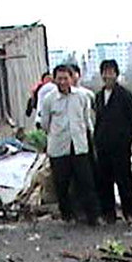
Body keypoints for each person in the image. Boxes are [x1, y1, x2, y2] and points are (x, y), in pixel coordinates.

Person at [38, 62, 100, 225]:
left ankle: (92, 215)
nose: (63, 82)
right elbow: (45, 123)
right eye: (59, 79)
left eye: (66, 78)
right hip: (59, 147)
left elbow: (87, 120)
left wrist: (90, 139)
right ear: (54, 80)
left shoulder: (81, 97)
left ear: (71, 79)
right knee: (62, 183)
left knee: (86, 181)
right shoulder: (49, 100)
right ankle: (67, 215)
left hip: (79, 145)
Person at [93, 59, 132, 223]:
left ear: (116, 74)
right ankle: (108, 213)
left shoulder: (124, 95)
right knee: (104, 180)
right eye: (105, 72)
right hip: (103, 146)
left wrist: (128, 138)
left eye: (111, 72)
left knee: (124, 179)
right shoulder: (98, 97)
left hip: (120, 146)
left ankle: (130, 212)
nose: (108, 76)